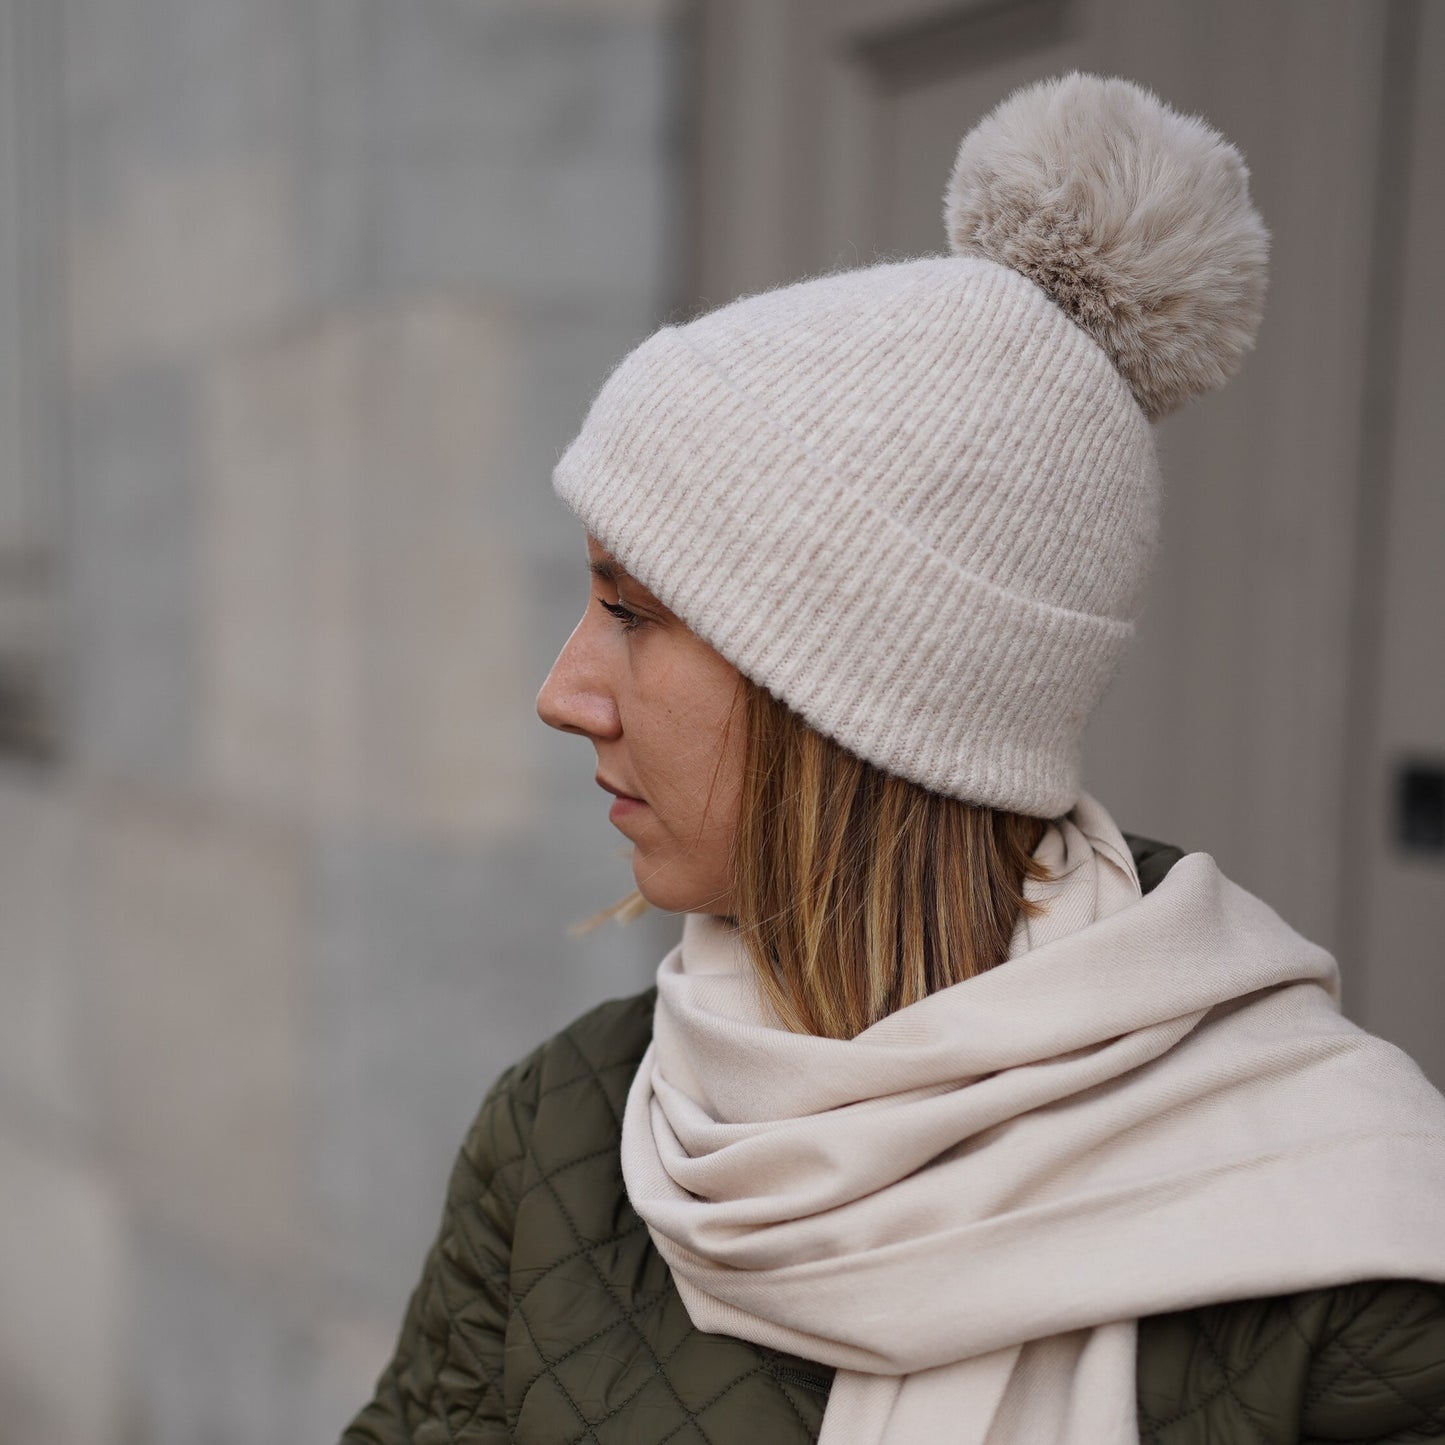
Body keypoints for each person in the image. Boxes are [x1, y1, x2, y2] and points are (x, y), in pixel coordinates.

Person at [341, 73, 1445, 1445]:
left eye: (630, 610)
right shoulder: (566, 1138)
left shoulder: (1341, 1237)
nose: (563, 691)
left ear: (857, 695)